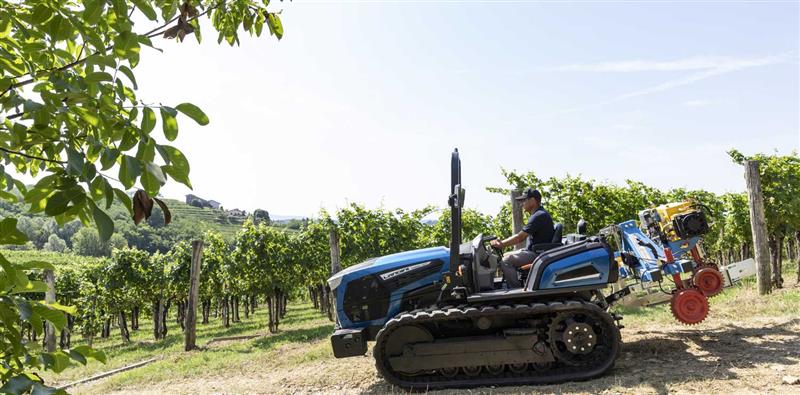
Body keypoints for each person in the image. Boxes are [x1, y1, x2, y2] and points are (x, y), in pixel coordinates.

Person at [490, 187, 555, 288]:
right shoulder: (539, 214)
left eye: (524, 200)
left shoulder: (539, 216)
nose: (522, 204)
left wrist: (501, 244)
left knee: (506, 260)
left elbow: (520, 237)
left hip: (537, 254)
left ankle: (515, 290)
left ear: (532, 200)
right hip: (533, 251)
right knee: (504, 256)